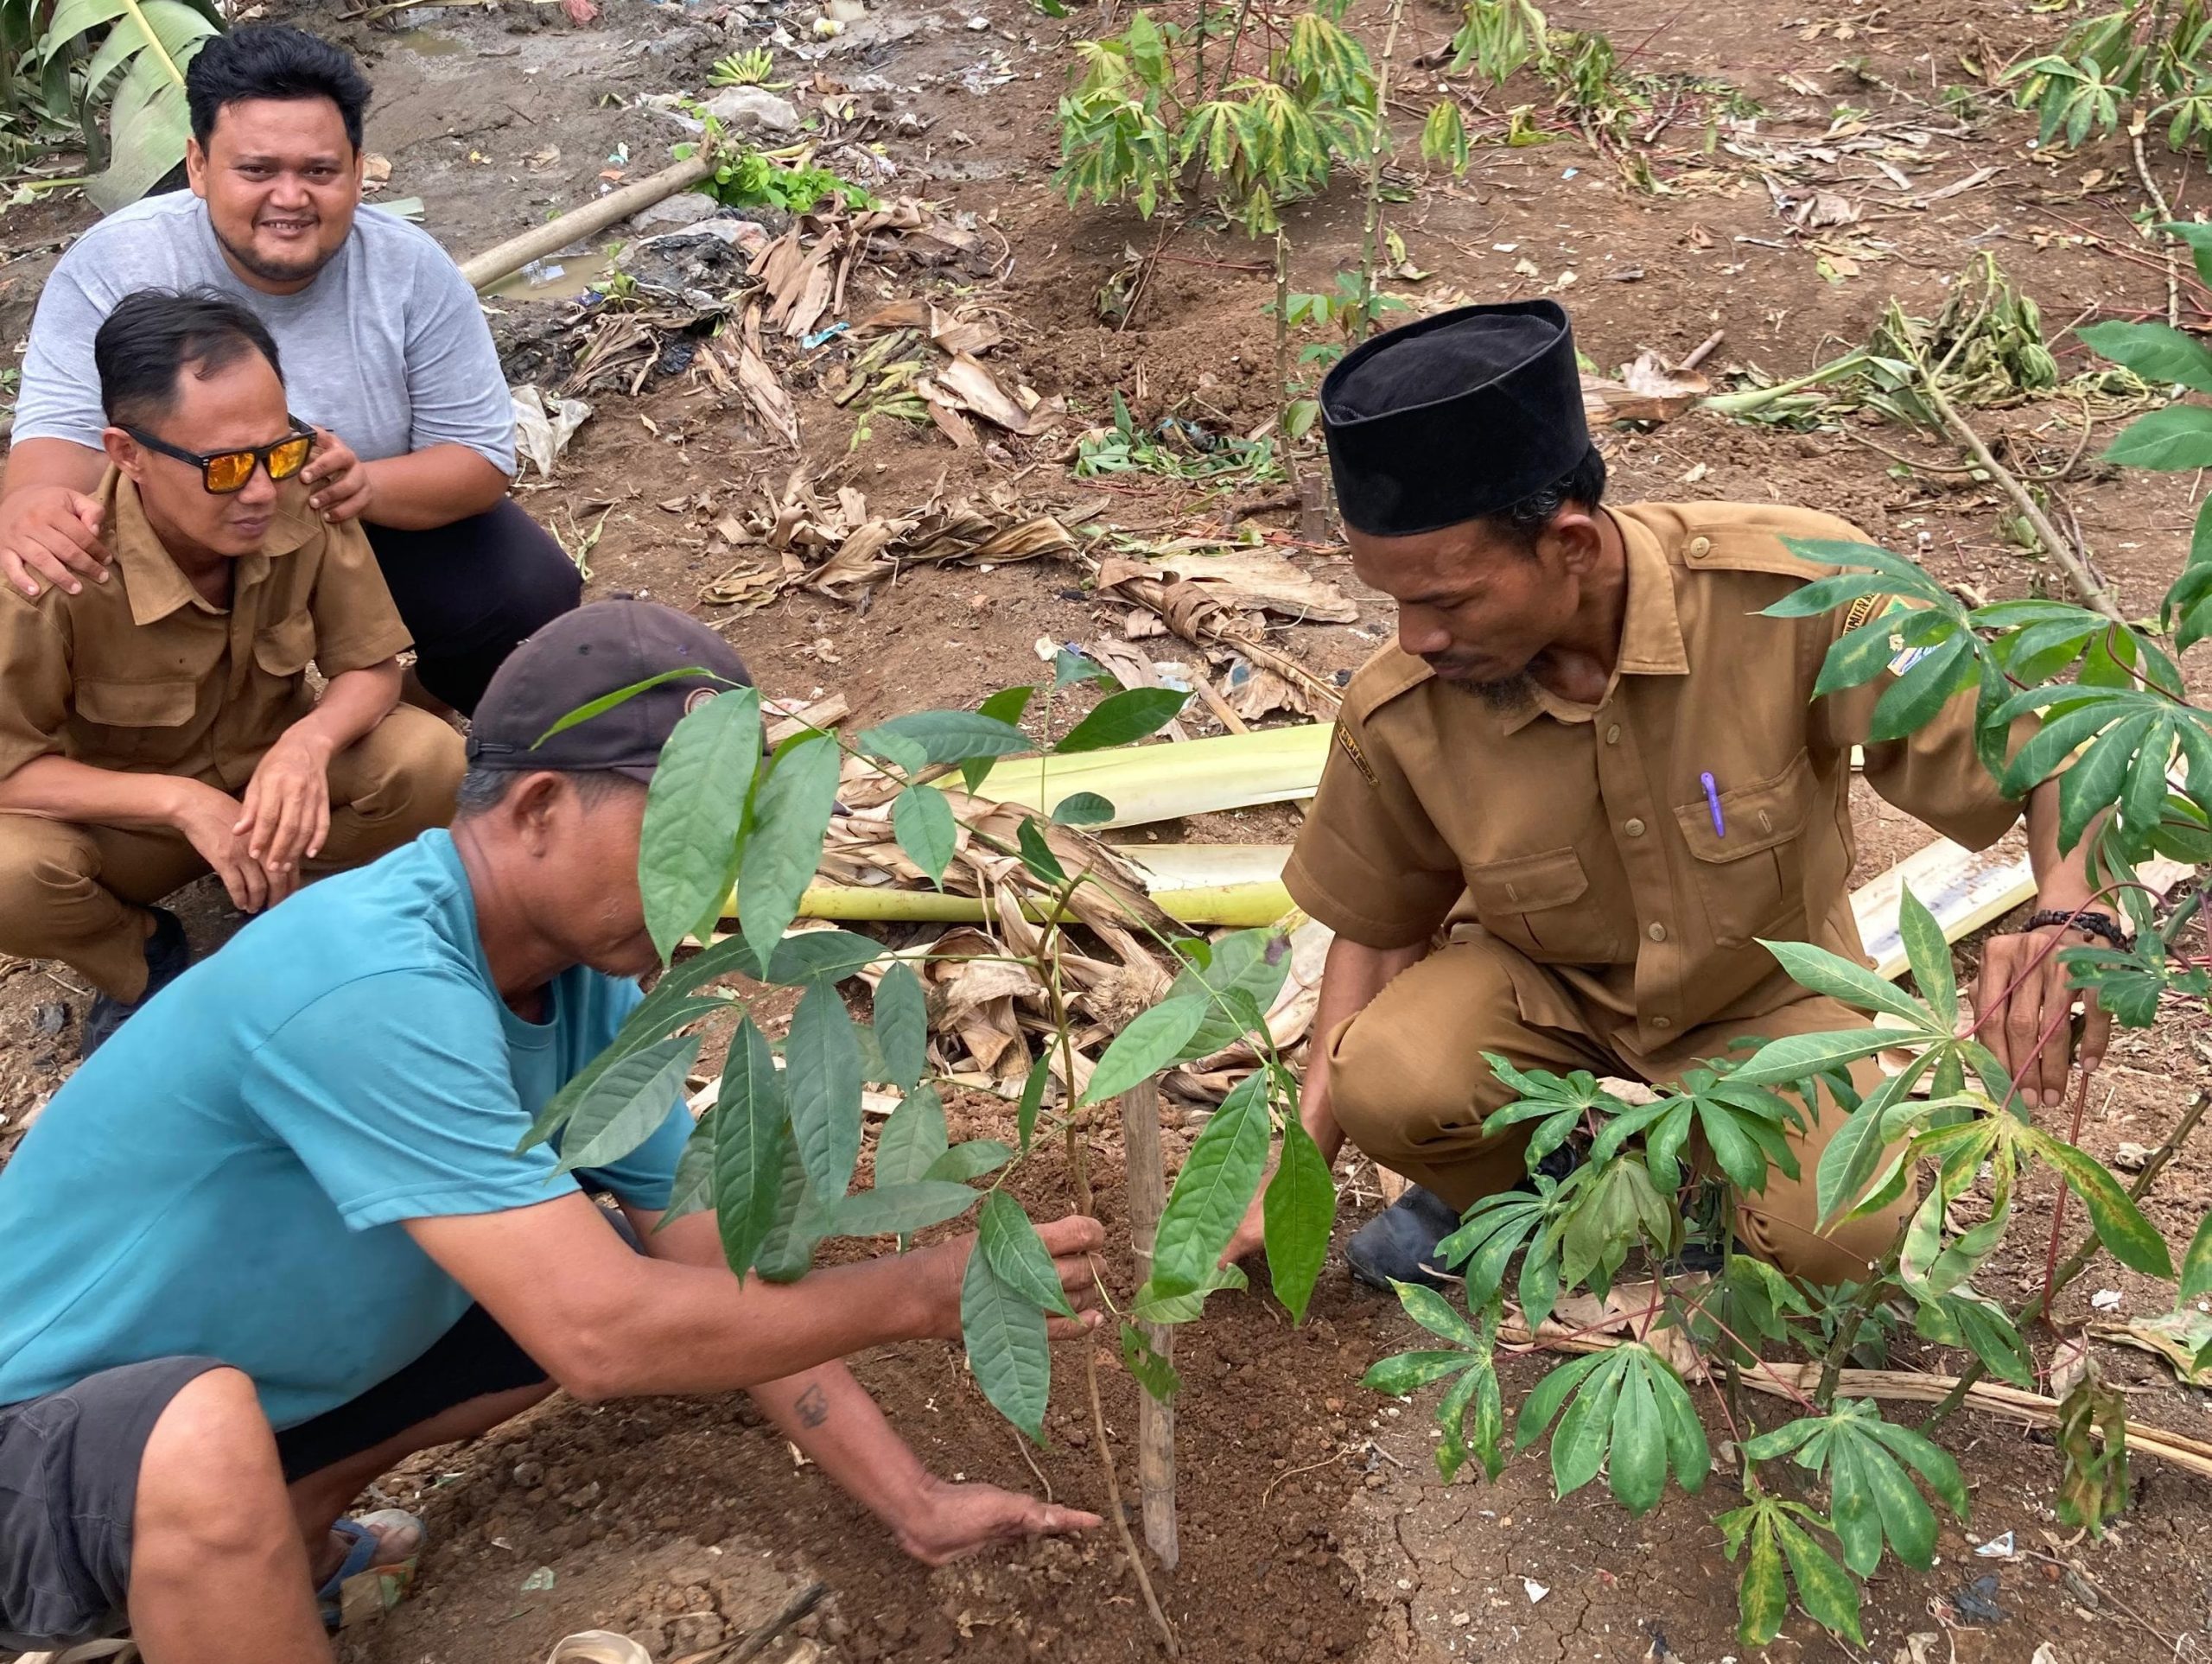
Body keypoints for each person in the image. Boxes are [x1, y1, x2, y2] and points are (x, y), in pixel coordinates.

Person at [0, 599, 1104, 1661]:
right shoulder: (367, 978)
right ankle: (189, 1549)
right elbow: (605, 1339)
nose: (707, 884)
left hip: (221, 1394)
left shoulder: (583, 994)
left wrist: (913, 1504)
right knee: (215, 1427)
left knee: (608, 1264)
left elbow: (714, 1281)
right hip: (34, 1442)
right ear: (534, 810)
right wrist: (921, 1294)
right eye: (679, 836)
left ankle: (278, 1527)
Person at [1219, 299, 2107, 1290]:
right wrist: (1290, 1177)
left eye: (1445, 600)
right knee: (1390, 1075)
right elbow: (1378, 930)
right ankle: (1528, 1178)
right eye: (1394, 600)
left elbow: (2050, 755)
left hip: (1768, 996)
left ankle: (1688, 1185)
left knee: (1842, 1236)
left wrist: (2071, 913)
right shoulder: (1407, 704)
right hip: (1535, 995)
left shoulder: (1802, 593)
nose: (1415, 636)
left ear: (1571, 547)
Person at [0, 23, 578, 715]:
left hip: (348, 524)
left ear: (360, 170)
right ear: (197, 165)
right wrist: (32, 509)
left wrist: (362, 484)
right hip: (173, 531)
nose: (290, 199)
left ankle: (407, 708)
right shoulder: (115, 265)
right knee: (39, 562)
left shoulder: (410, 270)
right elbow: (56, 440)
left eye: (319, 172)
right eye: (256, 170)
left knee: (526, 591)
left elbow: (480, 460)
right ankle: (116, 756)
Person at [0, 288, 463, 1055]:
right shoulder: (55, 568)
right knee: (10, 875)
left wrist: (308, 746)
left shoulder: (300, 491)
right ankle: (141, 956)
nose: (258, 491)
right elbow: (7, 767)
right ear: (128, 454)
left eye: (276, 450)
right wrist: (177, 802)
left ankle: (291, 910)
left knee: (428, 760)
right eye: (221, 467)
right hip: (130, 826)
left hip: (273, 785)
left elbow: (371, 669)